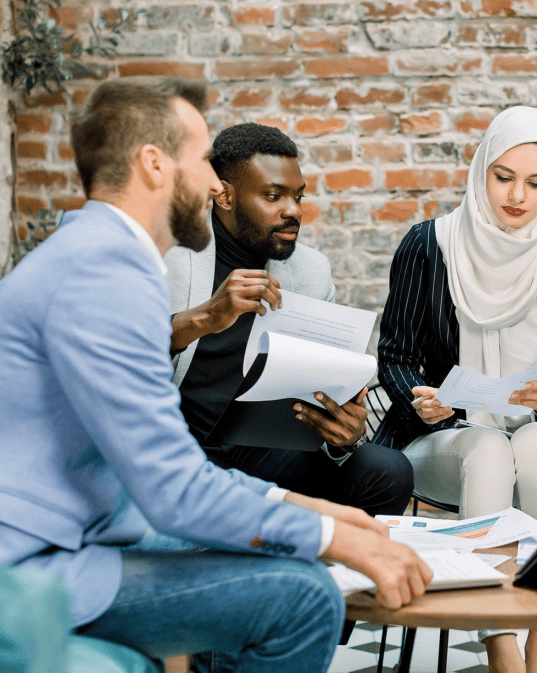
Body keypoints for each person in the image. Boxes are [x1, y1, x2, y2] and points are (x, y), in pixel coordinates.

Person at [0, 77, 431, 673]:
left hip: (94, 526)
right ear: (154, 164)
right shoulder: (103, 272)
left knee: (297, 560)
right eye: (203, 159)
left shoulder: (98, 251)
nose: (211, 183)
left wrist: (307, 508)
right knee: (302, 598)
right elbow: (173, 486)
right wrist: (333, 536)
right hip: (38, 559)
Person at [375, 105, 537, 673]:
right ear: (481, 172)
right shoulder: (431, 244)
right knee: (492, 449)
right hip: (444, 440)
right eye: (503, 177)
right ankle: (500, 642)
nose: (517, 195)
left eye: (536, 182)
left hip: (529, 430)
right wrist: (420, 401)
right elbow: (395, 360)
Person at [166, 122, 413, 517]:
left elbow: (321, 387)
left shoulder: (311, 269)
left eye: (297, 197)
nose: (293, 211)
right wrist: (203, 319)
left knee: (387, 470)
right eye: (273, 195)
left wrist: (342, 437)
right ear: (225, 196)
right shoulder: (170, 256)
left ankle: (339, 578)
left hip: (260, 451)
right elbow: (120, 362)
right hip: (177, 448)